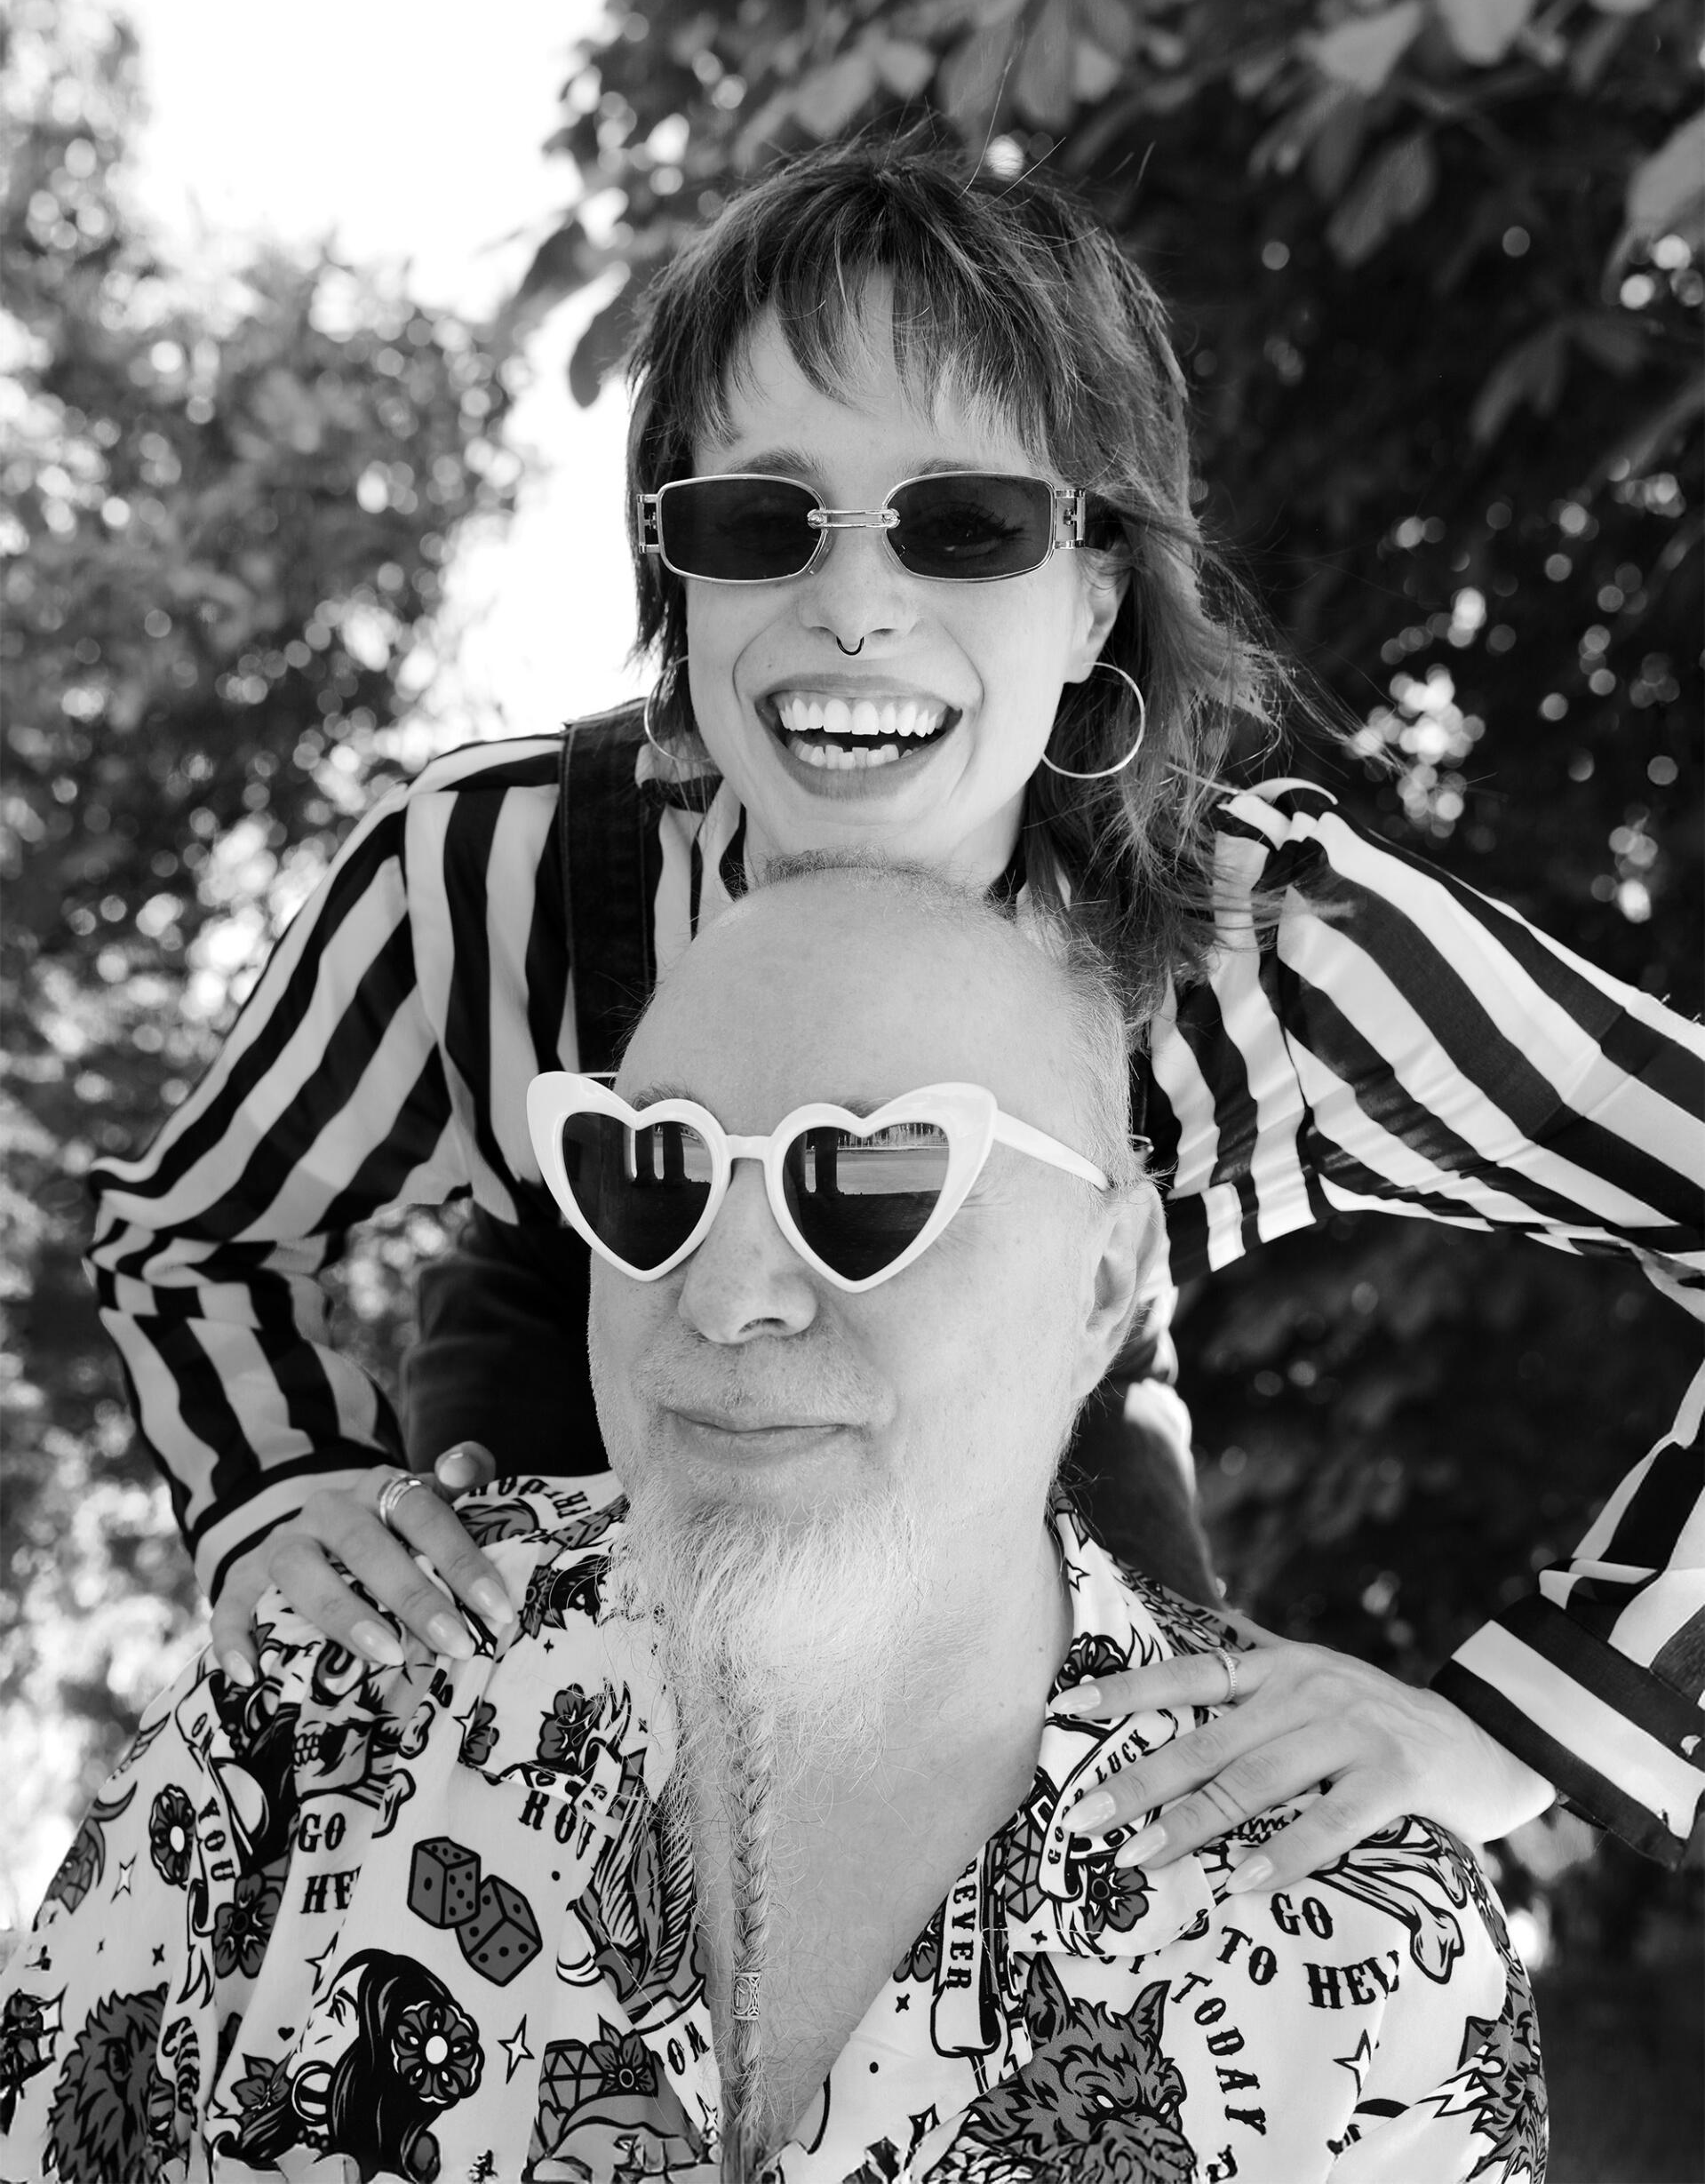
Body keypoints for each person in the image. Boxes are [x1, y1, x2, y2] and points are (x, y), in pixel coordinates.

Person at [84, 134, 1703, 1886]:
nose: (855, 611)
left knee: (1145, 1882)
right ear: (680, 573)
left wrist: (1524, 1724)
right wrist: (276, 1487)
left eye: (965, 525)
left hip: (1041, 1437)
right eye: (759, 522)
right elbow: (191, 1243)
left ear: (1094, 593)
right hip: (568, 1395)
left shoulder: (1270, 954)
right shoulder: (490, 877)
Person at [2, 865, 1547, 2184]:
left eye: (876, 1177)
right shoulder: (310, 1708)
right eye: (653, 1173)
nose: (729, 1295)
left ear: (1101, 1281)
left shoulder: (1372, 1965)